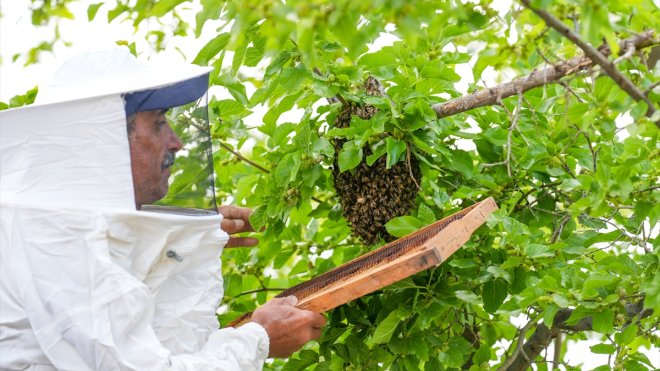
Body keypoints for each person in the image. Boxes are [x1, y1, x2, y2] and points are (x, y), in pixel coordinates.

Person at [0, 49, 325, 370]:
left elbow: (148, 316)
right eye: (158, 124)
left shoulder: (57, 222)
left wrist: (186, 237)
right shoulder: (61, 239)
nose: (176, 142)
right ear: (107, 139)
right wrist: (259, 338)